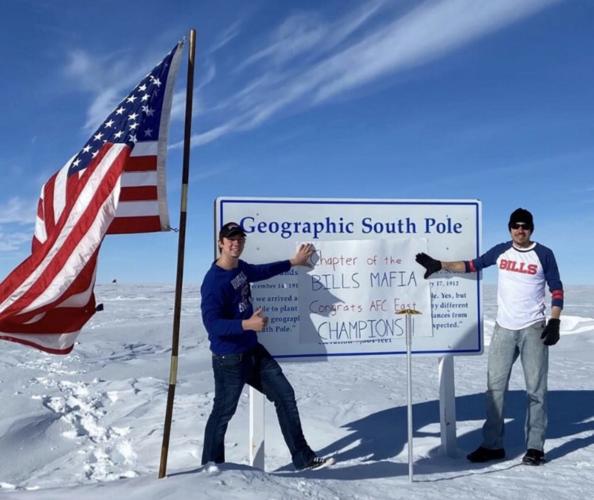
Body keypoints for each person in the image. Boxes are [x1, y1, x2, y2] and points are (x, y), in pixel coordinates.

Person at [416, 208, 563, 466]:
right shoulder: (501, 251)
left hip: (533, 329)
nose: (520, 230)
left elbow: (557, 288)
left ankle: (535, 447)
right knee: (494, 390)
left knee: (536, 391)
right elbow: (473, 265)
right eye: (516, 226)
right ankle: (492, 445)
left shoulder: (544, 254)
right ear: (509, 228)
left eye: (525, 226)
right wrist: (440, 264)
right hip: (504, 329)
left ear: (531, 229)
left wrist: (554, 320)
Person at [200, 222, 333, 471]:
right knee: (222, 414)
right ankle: (210, 468)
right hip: (229, 358)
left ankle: (303, 458)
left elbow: (260, 271)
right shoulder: (213, 282)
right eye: (230, 239)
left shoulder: (239, 268)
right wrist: (247, 324)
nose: (235, 243)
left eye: (240, 239)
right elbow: (212, 324)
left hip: (252, 351)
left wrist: (293, 262)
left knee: (285, 395)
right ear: (220, 242)